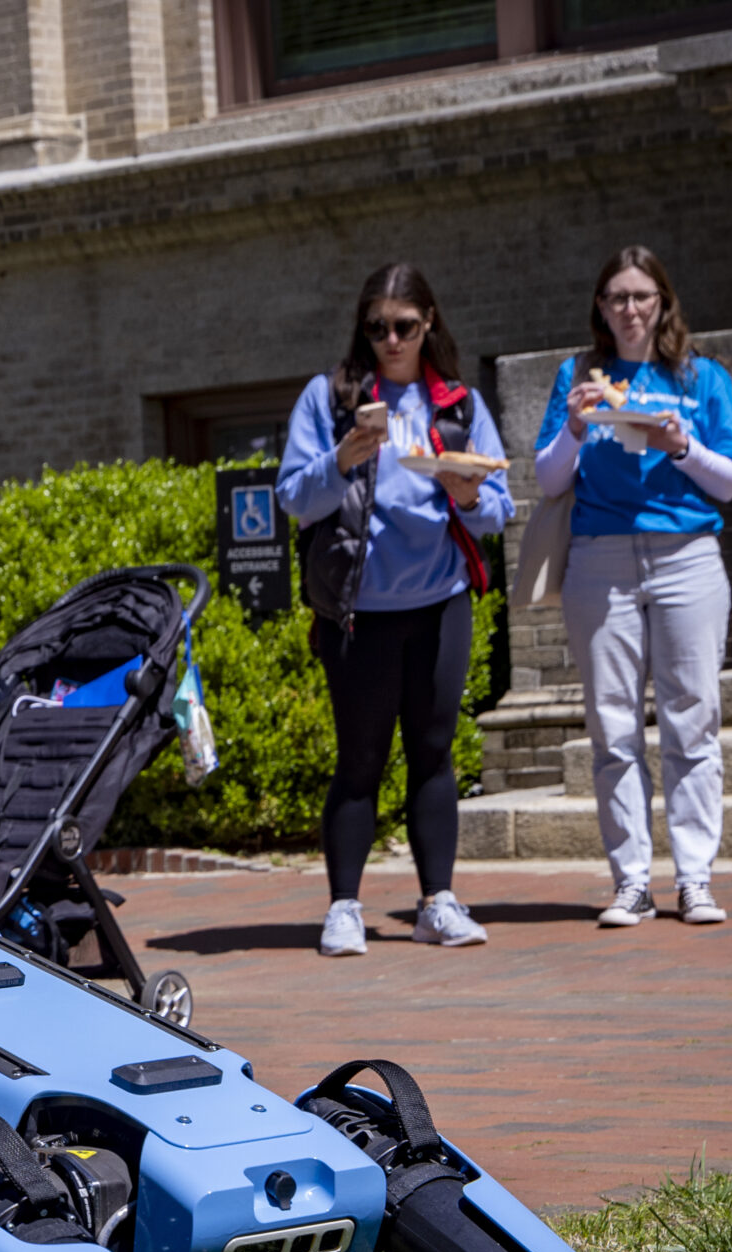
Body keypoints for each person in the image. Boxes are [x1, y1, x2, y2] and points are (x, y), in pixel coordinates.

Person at [279, 264, 512, 957]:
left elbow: (498, 511)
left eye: (404, 326)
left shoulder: (459, 404)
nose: (390, 339)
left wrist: (466, 495)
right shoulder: (331, 398)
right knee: (360, 760)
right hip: (359, 608)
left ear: (429, 324)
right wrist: (342, 460)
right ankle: (344, 906)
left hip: (440, 602)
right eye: (377, 326)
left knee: (434, 754)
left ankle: (437, 901)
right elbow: (294, 496)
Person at [536, 247, 732, 928]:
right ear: (600, 307)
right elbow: (547, 479)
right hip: (601, 559)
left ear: (663, 303)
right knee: (612, 725)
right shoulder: (579, 375)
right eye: (617, 297)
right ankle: (630, 881)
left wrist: (682, 446)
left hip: (687, 553)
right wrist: (572, 426)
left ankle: (694, 878)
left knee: (692, 718)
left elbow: (731, 480)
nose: (630, 309)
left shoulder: (701, 377)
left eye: (642, 297)